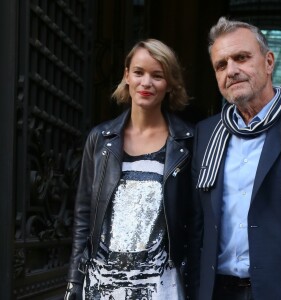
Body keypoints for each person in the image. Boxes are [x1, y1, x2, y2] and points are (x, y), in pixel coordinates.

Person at [64, 38, 194, 300]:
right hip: (102, 282)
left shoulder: (187, 141)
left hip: (160, 284)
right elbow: (83, 215)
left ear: (169, 83)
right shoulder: (100, 138)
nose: (146, 83)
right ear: (127, 76)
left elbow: (194, 219)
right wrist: (73, 282)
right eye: (139, 72)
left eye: (157, 75)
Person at [191, 17, 281, 300]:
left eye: (241, 57)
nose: (232, 70)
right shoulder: (207, 133)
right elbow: (198, 222)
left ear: (268, 62)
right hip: (218, 291)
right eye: (221, 64)